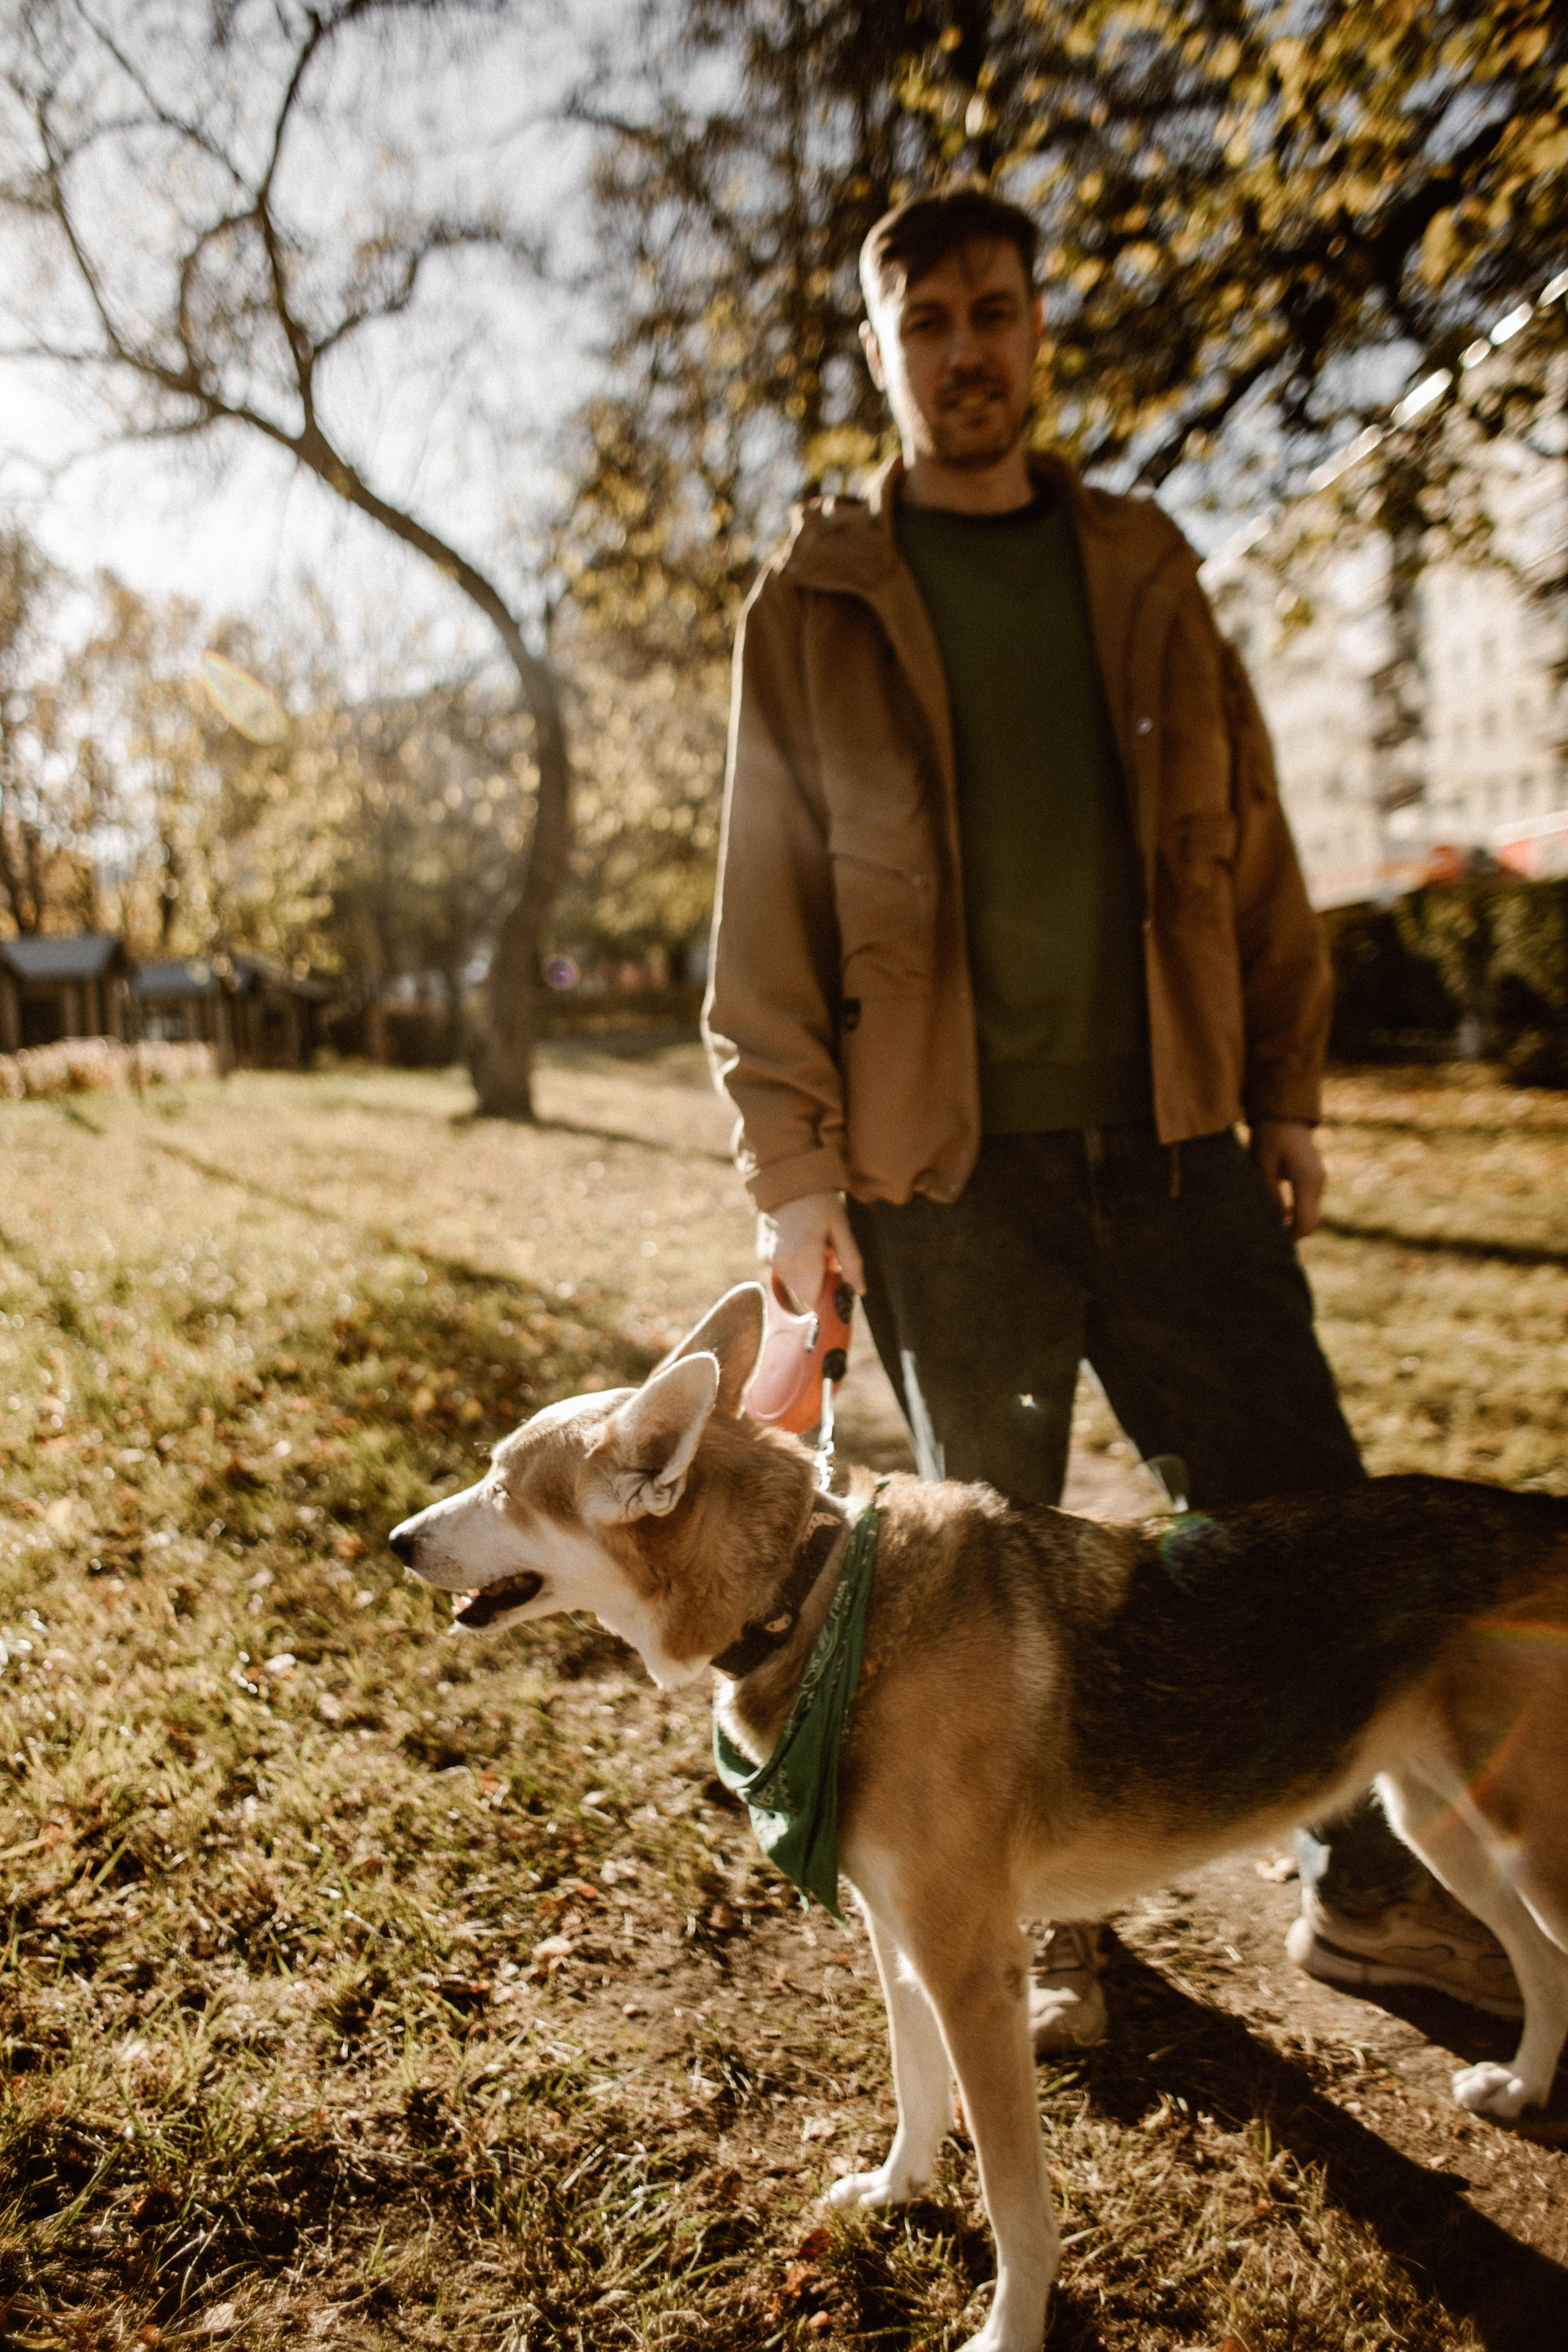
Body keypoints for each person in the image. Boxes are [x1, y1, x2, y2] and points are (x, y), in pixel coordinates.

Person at [702, 182, 1519, 2049]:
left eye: (996, 312)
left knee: (1299, 1516)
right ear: (883, 352)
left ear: (1036, 330)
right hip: (947, 1178)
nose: (969, 351)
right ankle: (1041, 1918)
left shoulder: (1149, 567)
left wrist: (1290, 1091)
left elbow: (1252, 855)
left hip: (1175, 1149)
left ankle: (1373, 1901)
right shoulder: (815, 603)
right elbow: (767, 914)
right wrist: (793, 1184)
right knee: (970, 1568)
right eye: (930, 325)